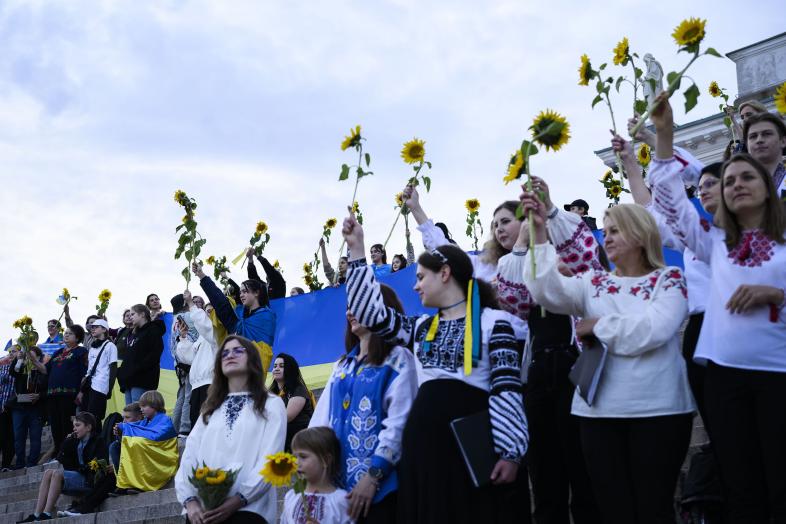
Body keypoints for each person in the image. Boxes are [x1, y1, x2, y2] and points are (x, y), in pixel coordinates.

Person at [521, 181, 696, 523]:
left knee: (653, 509)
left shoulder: (669, 279)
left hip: (659, 412)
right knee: (613, 511)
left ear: (642, 234)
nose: (608, 237)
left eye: (617, 230)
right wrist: (539, 235)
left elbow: (653, 331)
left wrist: (598, 326)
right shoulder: (593, 283)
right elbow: (545, 291)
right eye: (607, 230)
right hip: (597, 417)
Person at [648, 92, 786, 523]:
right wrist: (665, 136)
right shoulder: (712, 242)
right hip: (726, 379)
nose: (737, 184)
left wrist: (775, 294)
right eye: (729, 181)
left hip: (779, 377)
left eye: (747, 178)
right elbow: (670, 202)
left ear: (767, 187)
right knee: (741, 485)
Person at [341, 214, 529, 523]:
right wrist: (358, 251)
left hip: (469, 447)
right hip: (424, 447)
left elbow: (506, 390)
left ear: (444, 273)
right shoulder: (420, 327)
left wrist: (511, 452)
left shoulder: (494, 323)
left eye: (420, 277)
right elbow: (371, 315)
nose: (415, 287)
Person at [496, 178, 603, 524]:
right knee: (544, 474)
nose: (500, 229)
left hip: (576, 364)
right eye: (495, 224)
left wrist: (547, 214)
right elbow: (514, 299)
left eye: (506, 221)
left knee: (583, 467)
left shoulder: (566, 252)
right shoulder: (513, 265)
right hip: (539, 371)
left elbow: (586, 255)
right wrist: (524, 244)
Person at [612, 130, 720, 424]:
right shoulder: (693, 233)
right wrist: (631, 163)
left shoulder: (757, 232)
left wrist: (655, 136)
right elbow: (651, 214)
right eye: (701, 187)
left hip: (739, 322)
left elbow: (697, 171)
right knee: (714, 417)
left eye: (714, 184)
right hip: (700, 327)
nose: (704, 189)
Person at [310, 283, 417, 523]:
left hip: (382, 489)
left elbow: (399, 423)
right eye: (348, 307)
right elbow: (322, 419)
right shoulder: (342, 365)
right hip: (338, 491)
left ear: (383, 309)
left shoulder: (399, 359)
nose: (350, 312)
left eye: (358, 305)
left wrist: (374, 476)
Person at [175, 335, 286, 524]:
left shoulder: (271, 404)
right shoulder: (211, 408)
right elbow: (189, 456)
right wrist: (190, 501)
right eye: (224, 353)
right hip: (202, 513)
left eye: (237, 350)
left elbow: (271, 458)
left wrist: (239, 499)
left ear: (252, 358)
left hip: (249, 509)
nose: (229, 355)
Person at [16, 412, 107, 523]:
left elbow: (100, 463)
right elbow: (61, 458)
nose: (74, 429)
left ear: (88, 427)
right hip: (78, 477)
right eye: (74, 426)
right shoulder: (75, 441)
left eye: (78, 425)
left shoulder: (98, 441)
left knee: (57, 474)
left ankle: (47, 513)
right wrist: (67, 442)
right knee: (48, 472)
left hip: (90, 480)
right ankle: (37, 513)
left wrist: (82, 469)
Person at [62, 403, 144, 516]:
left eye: (127, 417)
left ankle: (83, 507)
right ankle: (81, 506)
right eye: (123, 417)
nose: (123, 421)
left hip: (140, 475)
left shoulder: (146, 430)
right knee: (108, 476)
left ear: (140, 417)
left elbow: (137, 454)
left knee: (109, 477)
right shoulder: (129, 433)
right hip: (125, 475)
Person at [194, 262, 276, 373]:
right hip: (234, 376)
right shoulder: (239, 319)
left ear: (256, 293)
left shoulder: (267, 316)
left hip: (254, 376)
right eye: (240, 292)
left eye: (245, 291)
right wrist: (201, 275)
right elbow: (220, 303)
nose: (241, 295)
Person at [281, 427, 352, 524]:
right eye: (294, 457)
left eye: (303, 457)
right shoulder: (291, 496)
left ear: (326, 460)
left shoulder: (341, 500)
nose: (296, 462)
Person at [114, 390, 178, 493]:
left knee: (137, 443)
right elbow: (135, 429)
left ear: (154, 405)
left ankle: (138, 483)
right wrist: (121, 431)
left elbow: (155, 437)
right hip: (150, 454)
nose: (141, 409)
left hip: (163, 457)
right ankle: (128, 483)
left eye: (144, 406)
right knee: (116, 446)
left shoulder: (165, 420)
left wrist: (126, 428)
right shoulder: (145, 421)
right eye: (140, 406)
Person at [45, 325, 88, 458]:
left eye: (70, 333)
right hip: (53, 394)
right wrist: (31, 357)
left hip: (69, 394)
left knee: (66, 424)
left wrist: (81, 391)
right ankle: (58, 452)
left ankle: (68, 453)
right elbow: (44, 370)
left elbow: (84, 374)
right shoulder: (57, 352)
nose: (66, 335)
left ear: (78, 337)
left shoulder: (81, 351)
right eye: (66, 333)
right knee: (55, 426)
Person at [178, 290, 218, 431]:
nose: (208, 314)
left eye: (211, 311)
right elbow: (188, 358)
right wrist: (183, 337)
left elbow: (205, 326)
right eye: (206, 311)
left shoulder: (219, 333)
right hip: (196, 386)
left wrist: (190, 303)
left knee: (208, 427)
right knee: (196, 426)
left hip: (211, 384)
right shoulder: (202, 338)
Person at [117, 304, 166, 405]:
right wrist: (122, 372)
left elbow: (154, 354)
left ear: (142, 314)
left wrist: (136, 369)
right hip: (129, 380)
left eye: (133, 314)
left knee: (138, 410)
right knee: (130, 411)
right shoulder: (135, 334)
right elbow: (129, 357)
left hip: (142, 380)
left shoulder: (153, 330)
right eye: (129, 314)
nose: (130, 317)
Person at [9, 345, 48, 469]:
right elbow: (12, 372)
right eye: (27, 355)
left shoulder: (42, 369)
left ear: (37, 356)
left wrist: (39, 395)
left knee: (35, 436)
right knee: (18, 437)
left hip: (36, 408)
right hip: (19, 408)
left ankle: (32, 463)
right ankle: (20, 463)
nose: (29, 357)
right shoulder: (21, 367)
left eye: (32, 355)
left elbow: (47, 388)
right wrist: (18, 359)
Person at [76, 319, 118, 427]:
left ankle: (97, 442)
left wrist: (109, 388)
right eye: (91, 328)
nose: (92, 329)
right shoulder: (93, 347)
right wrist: (82, 389)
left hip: (100, 386)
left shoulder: (111, 346)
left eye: (96, 327)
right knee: (85, 417)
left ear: (104, 329)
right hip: (89, 385)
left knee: (95, 417)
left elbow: (113, 368)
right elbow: (89, 369)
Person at [270, 353, 314, 452]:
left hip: (301, 444)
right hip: (281, 443)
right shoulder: (272, 392)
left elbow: (287, 417)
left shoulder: (298, 390)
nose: (276, 369)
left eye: (281, 366)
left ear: (290, 369)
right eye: (275, 366)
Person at [742, 112, 786, 195]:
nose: (759, 140)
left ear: (783, 141)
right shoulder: (740, 188)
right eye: (753, 136)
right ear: (747, 146)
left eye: (767, 134)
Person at [171, 293, 193, 436]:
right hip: (186, 360)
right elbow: (190, 337)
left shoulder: (174, 319)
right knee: (188, 396)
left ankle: (174, 427)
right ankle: (185, 427)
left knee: (182, 396)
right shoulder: (184, 318)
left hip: (178, 362)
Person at [0, 347, 17, 470]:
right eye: (10, 352)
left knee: (10, 436)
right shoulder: (3, 367)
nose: (11, 354)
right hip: (1, 404)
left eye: (14, 351)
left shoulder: (22, 367)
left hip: (14, 406)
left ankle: (6, 463)